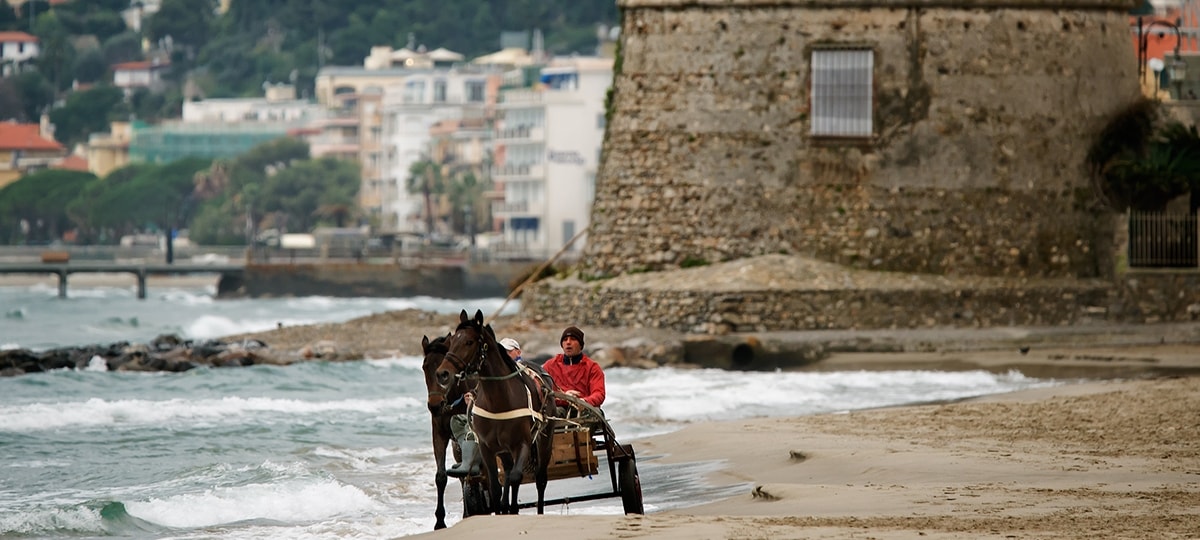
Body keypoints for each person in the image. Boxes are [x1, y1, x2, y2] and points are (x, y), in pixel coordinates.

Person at [446, 336, 525, 479]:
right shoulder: (495, 373)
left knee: (479, 425)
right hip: (491, 414)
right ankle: (469, 459)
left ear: (518, 352)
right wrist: (472, 396)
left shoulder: (522, 370)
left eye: (508, 351)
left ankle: (471, 461)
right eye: (501, 351)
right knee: (457, 420)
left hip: (510, 418)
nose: (504, 355)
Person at [542, 326, 605, 414]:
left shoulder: (592, 367)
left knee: (596, 413)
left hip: (585, 408)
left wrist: (584, 402)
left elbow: (599, 394)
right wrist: (564, 398)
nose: (568, 342)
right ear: (562, 345)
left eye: (573, 339)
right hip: (558, 409)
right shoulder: (549, 366)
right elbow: (542, 393)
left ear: (580, 345)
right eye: (565, 340)